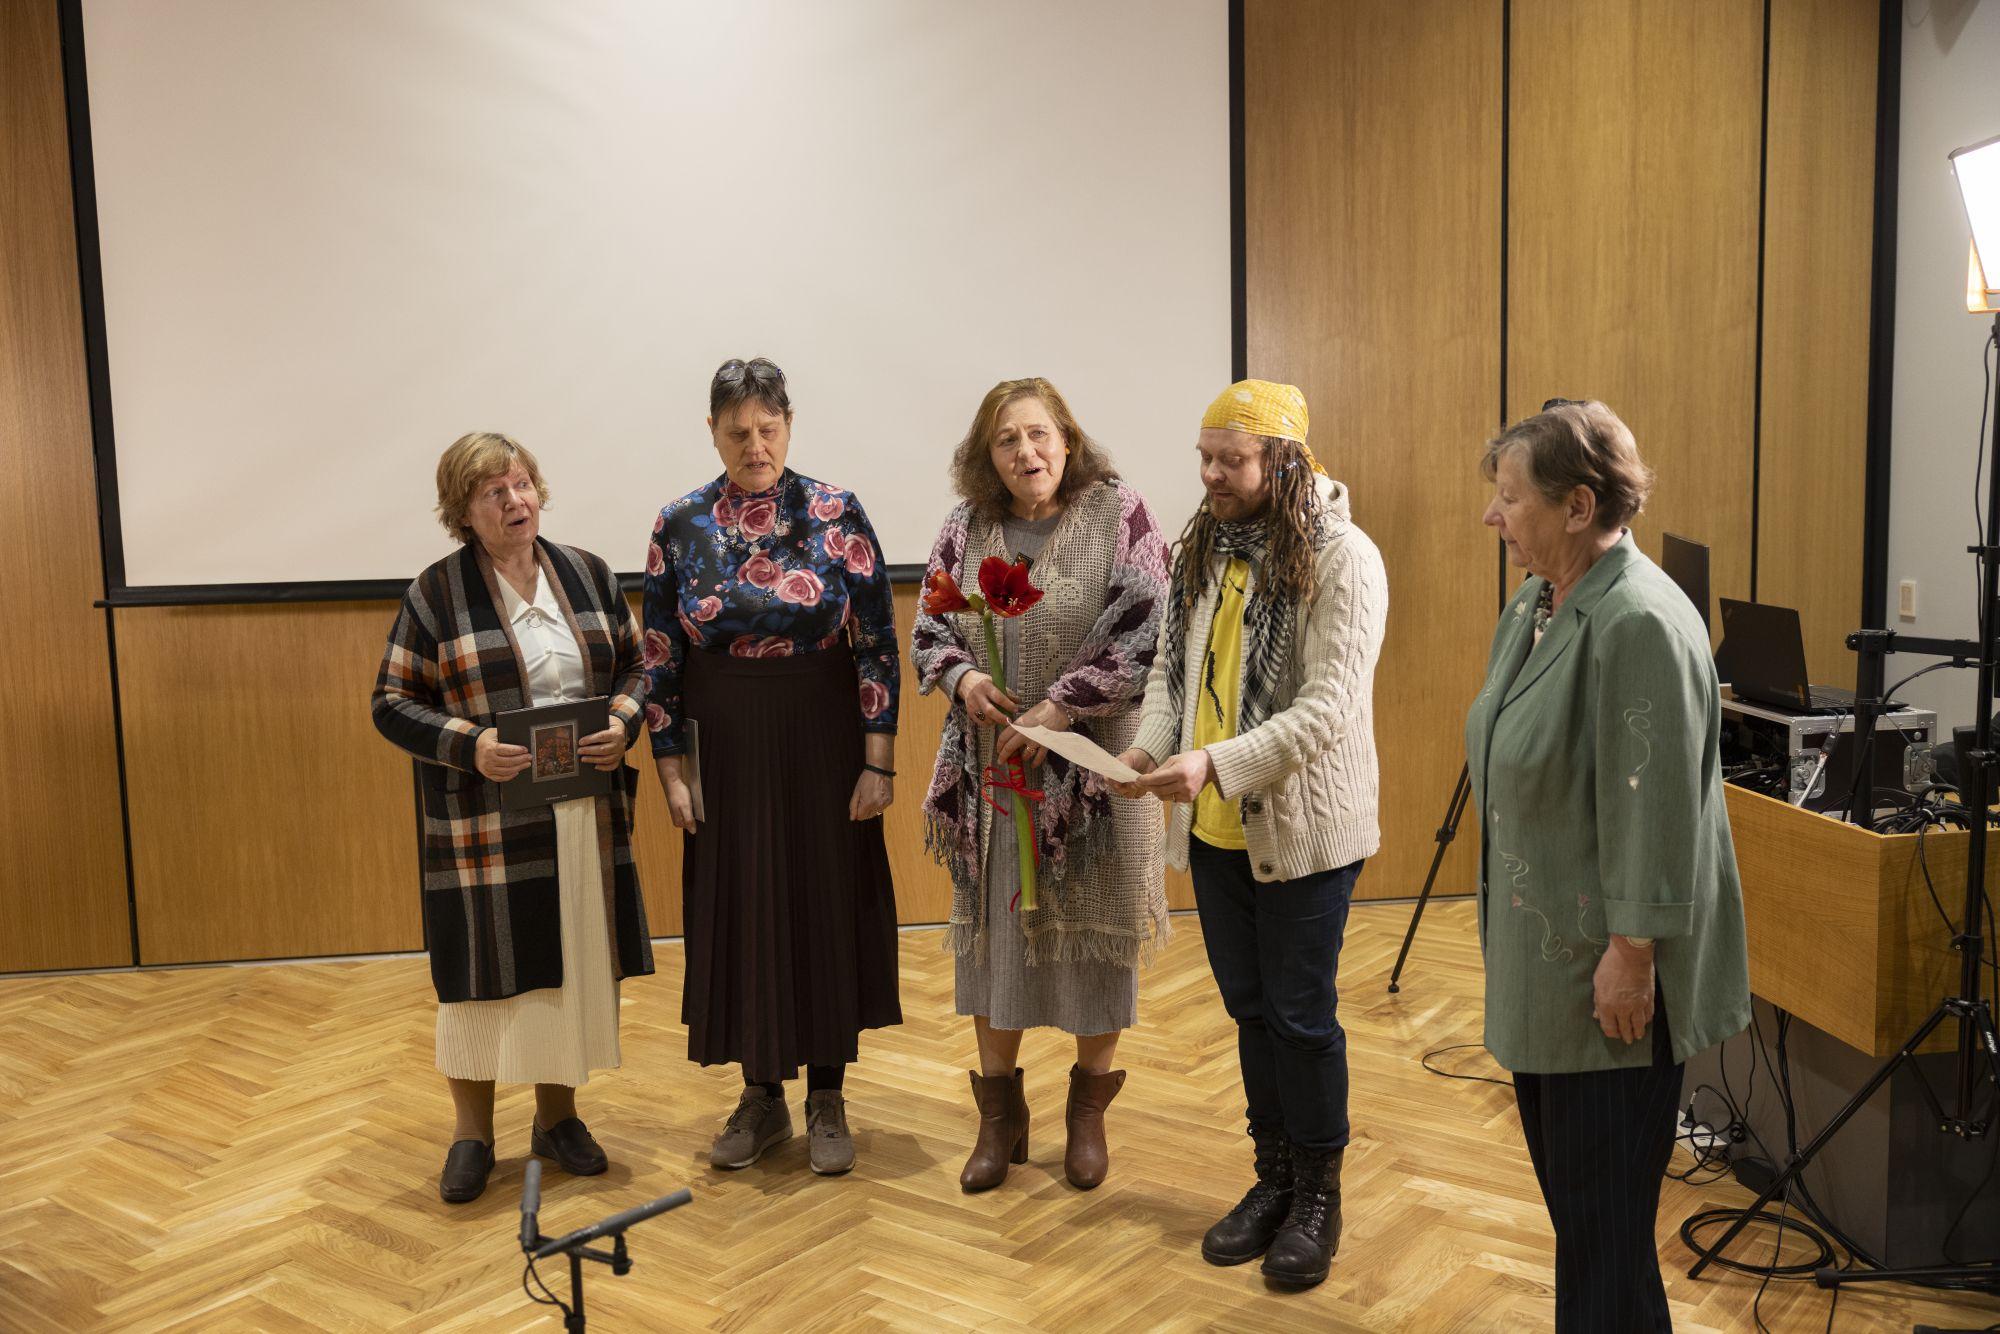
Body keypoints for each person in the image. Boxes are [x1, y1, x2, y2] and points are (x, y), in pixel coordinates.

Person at [1463, 398, 1750, 1330]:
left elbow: (1653, 806)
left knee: (1602, 1228)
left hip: (1608, 979)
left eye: (1511, 498)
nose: (1492, 515)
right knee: (1593, 1228)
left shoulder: (1638, 623)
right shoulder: (1539, 601)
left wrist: (1633, 952)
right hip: (1552, 963)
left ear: (1579, 505)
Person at [1110, 380, 1387, 1289]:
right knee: (1250, 1012)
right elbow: (1171, 675)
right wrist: (1149, 749)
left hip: (1305, 833)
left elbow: (1328, 710)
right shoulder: (1205, 548)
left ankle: (1318, 1199)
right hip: (1217, 830)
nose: (1211, 475)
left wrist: (1215, 763)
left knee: (1301, 1019)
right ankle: (1273, 1181)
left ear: (1284, 462)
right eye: (1205, 457)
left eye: (1231, 460)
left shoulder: (1344, 558)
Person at [372, 432, 654, 1204]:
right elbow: (390, 703)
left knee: (568, 970)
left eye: (522, 484)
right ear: (463, 511)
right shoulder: (435, 595)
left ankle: (556, 1121)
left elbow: (640, 668)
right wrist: (470, 744)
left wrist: (623, 722)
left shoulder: (587, 574)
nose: (515, 501)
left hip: (580, 817)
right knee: (482, 983)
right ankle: (472, 1136)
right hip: (483, 827)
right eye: (493, 492)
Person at [910, 377, 1171, 1193]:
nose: (1025, 452)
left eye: (1038, 434)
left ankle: (1087, 1113)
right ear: (986, 456)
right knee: (997, 939)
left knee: (1100, 937)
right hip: (997, 771)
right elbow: (929, 627)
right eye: (1006, 440)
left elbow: (1147, 630)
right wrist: (962, 679)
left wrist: (1061, 706)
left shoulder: (1120, 514)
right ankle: (1000, 1118)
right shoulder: (966, 526)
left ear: (1066, 440)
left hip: (1097, 775)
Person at [643, 357, 902, 1176]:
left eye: (767, 428)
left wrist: (879, 762)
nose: (754, 445)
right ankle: (761, 1095)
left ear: (789, 425)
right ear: (712, 433)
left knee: (825, 901)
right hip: (723, 736)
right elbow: (659, 656)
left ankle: (826, 1094)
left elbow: (877, 642)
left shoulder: (836, 510)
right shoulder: (679, 522)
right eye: (737, 432)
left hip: (823, 732)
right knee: (742, 905)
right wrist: (673, 770)